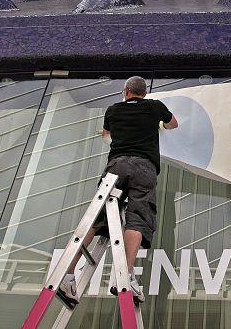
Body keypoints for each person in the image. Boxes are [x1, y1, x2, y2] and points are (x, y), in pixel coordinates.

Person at [57, 76, 178, 307]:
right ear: (144, 93)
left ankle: (68, 275)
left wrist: (120, 135)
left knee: (98, 218)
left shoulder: (113, 110)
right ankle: (126, 276)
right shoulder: (154, 107)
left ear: (125, 91)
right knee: (137, 218)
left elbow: (106, 137)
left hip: (117, 166)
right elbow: (174, 123)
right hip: (144, 167)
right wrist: (158, 125)